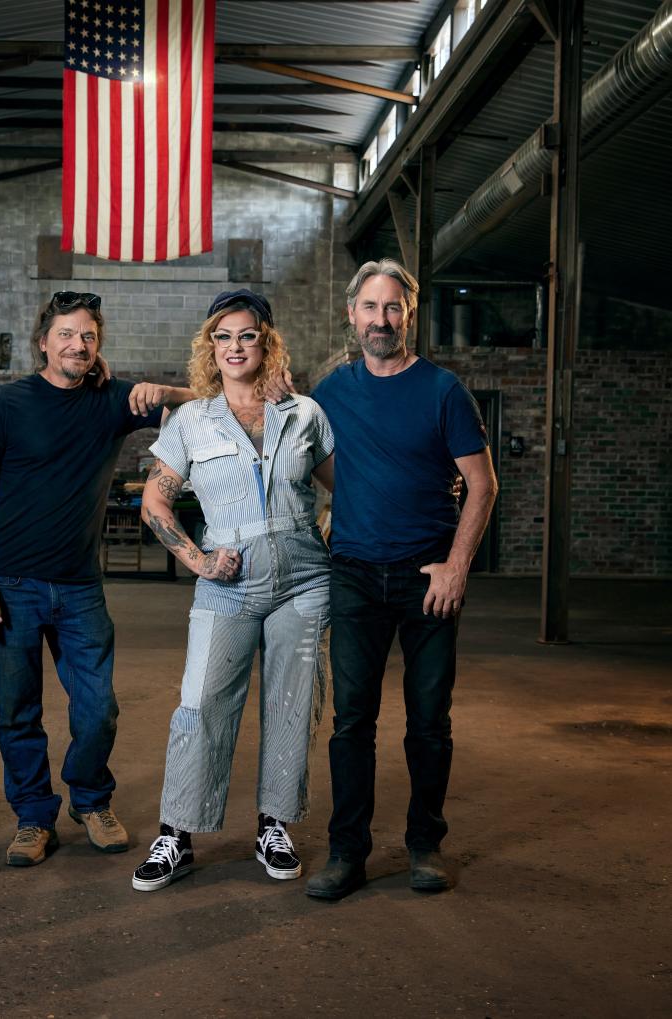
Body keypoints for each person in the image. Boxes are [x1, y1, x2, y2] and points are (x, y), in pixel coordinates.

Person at [0, 291, 193, 868]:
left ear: (99, 346)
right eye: (67, 334)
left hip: (79, 588)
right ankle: (33, 817)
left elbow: (215, 405)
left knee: (98, 709)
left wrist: (165, 393)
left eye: (89, 336)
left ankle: (90, 800)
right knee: (18, 712)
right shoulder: (5, 403)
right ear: (44, 340)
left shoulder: (114, 401)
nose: (78, 345)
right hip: (11, 583)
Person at [300, 258, 499, 899]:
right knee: (352, 722)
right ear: (351, 315)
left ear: (408, 316)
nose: (381, 319)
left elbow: (483, 484)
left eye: (393, 308)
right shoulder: (332, 390)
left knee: (428, 722)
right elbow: (327, 469)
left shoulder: (444, 391)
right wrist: (353, 503)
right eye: (370, 307)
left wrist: (456, 565)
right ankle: (347, 852)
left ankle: (423, 845)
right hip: (354, 575)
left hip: (426, 579)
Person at [129, 289, 335, 892]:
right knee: (200, 702)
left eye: (248, 335)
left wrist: (321, 537)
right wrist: (196, 560)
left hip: (304, 580)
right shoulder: (192, 421)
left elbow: (344, 488)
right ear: (210, 347)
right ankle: (177, 834)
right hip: (229, 580)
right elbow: (154, 501)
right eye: (224, 336)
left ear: (265, 343)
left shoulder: (304, 413)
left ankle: (274, 825)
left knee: (292, 704)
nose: (236, 346)